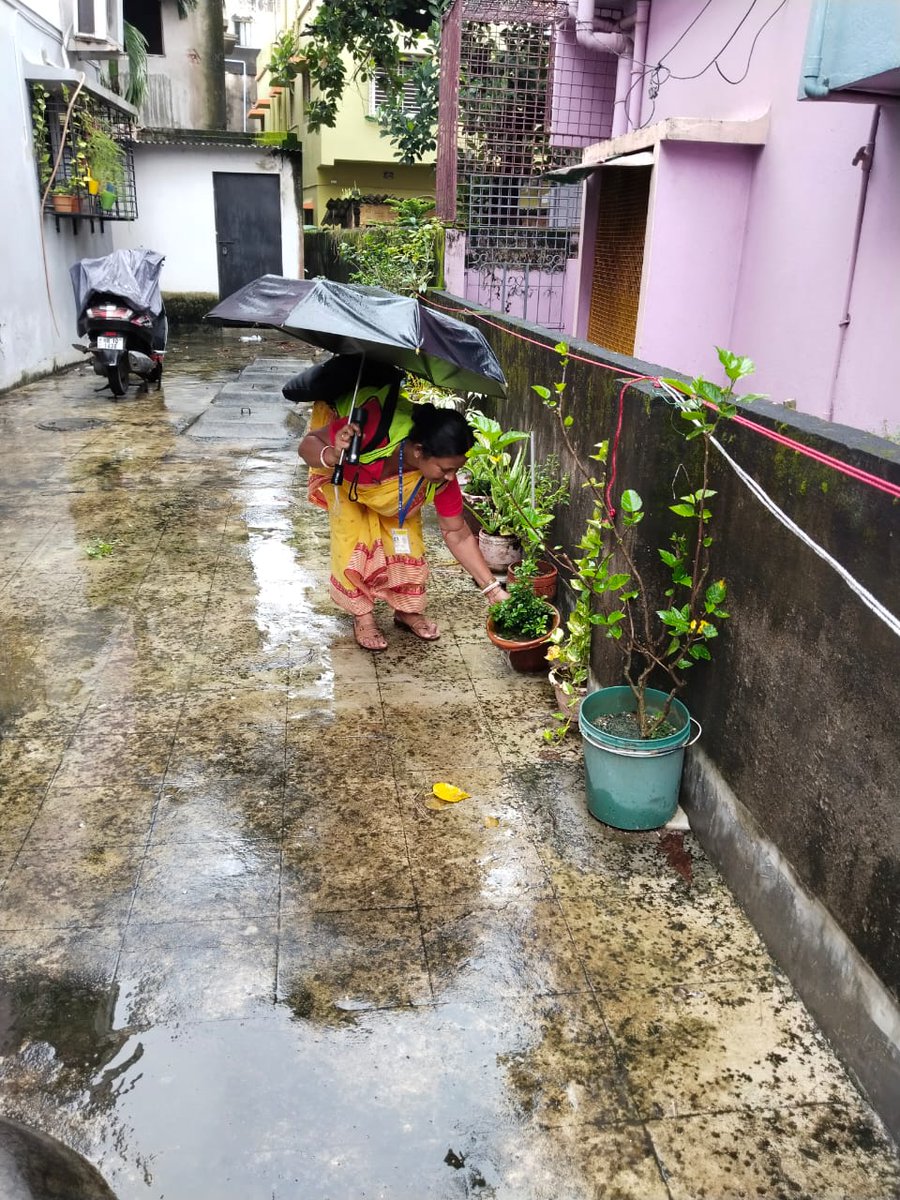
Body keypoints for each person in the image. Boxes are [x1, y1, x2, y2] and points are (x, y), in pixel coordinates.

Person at [291, 358, 509, 651]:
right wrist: (331, 454)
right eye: (445, 469)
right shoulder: (365, 424)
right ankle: (363, 616)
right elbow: (307, 446)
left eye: (456, 469)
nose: (451, 476)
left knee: (407, 544)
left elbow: (456, 532)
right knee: (352, 542)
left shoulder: (439, 477)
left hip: (399, 496)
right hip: (352, 484)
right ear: (418, 451)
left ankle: (406, 608)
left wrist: (493, 590)